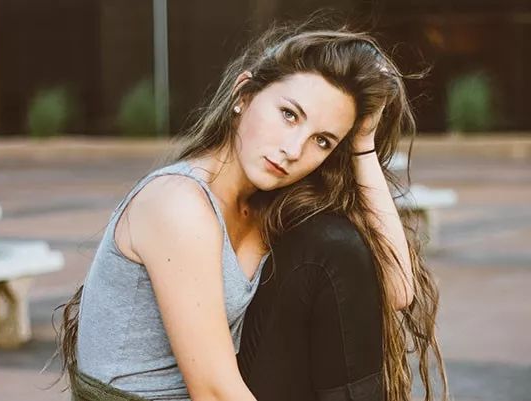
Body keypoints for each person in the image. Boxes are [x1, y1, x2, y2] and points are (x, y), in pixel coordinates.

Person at [47, 13, 448, 401]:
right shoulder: (177, 203)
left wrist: (362, 143)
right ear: (244, 95)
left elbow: (397, 290)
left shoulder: (268, 209)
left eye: (322, 141)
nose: (294, 150)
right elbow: (215, 394)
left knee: (334, 244)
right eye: (289, 115)